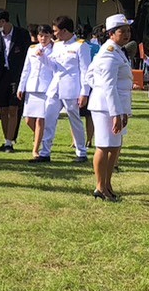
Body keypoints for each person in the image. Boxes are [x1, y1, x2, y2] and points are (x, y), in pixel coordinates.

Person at [86, 13, 134, 202]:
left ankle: (107, 184)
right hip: (106, 107)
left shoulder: (116, 51)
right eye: (122, 31)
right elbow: (108, 85)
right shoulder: (109, 52)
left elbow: (91, 75)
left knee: (114, 147)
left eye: (128, 30)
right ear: (111, 33)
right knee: (104, 146)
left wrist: (122, 111)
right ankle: (100, 187)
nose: (127, 34)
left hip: (115, 105)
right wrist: (116, 113)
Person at [40, 15, 91, 161]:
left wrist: (84, 92)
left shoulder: (80, 45)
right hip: (55, 86)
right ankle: (45, 152)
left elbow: (85, 71)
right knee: (49, 118)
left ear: (64, 30)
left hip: (71, 88)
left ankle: (81, 152)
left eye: (56, 31)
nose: (54, 34)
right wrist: (43, 58)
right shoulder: (57, 45)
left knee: (75, 120)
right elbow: (54, 66)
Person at [0, 8, 30, 151]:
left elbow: (27, 57)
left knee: (13, 108)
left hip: (17, 75)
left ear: (3, 21)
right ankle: (7, 139)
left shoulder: (22, 34)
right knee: (3, 109)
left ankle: (9, 142)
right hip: (2, 76)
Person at [16, 23, 55, 161]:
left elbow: (54, 68)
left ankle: (36, 149)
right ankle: (44, 137)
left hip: (46, 88)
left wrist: (44, 57)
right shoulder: (32, 48)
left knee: (40, 120)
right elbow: (26, 69)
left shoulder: (55, 49)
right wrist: (21, 87)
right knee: (28, 119)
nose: (43, 38)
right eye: (40, 35)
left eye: (46, 35)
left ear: (51, 36)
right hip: (32, 86)